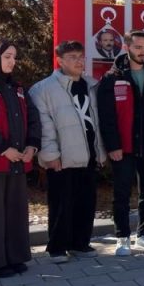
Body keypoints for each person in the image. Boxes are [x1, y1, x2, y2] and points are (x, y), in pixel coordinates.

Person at [30, 41, 108, 263]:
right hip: (62, 158)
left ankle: (80, 243)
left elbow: (98, 122)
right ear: (60, 61)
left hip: (88, 155)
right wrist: (50, 155)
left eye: (81, 56)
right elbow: (44, 126)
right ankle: (57, 247)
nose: (78, 61)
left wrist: (100, 152)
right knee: (62, 203)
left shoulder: (92, 86)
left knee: (86, 201)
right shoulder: (43, 89)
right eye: (72, 57)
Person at [97, 31, 144, 256]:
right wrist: (113, 145)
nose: (143, 51)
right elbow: (106, 117)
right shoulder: (112, 78)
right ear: (127, 47)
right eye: (138, 47)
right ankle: (122, 237)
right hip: (123, 147)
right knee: (122, 193)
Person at [0, 39, 40, 277]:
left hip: (18, 161)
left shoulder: (17, 88)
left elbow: (33, 120)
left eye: (14, 57)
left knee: (15, 211)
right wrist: (2, 148)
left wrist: (32, 146)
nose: (12, 62)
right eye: (7, 56)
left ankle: (14, 256)